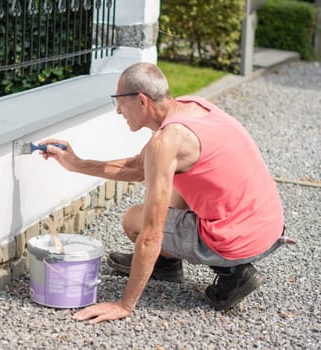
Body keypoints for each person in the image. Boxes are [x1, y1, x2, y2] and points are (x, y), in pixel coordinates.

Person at [40, 62, 288, 324]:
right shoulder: (192, 106)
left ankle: (234, 274)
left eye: (119, 101)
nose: (117, 111)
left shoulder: (167, 141)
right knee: (176, 186)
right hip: (268, 226)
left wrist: (124, 304)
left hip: (239, 241)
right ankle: (166, 266)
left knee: (135, 220)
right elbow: (138, 168)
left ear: (142, 101)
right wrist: (76, 163)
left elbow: (151, 235)